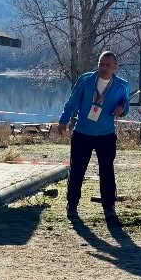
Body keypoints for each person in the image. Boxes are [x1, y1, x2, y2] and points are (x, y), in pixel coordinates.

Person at [56, 51, 130, 223]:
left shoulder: (122, 85)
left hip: (106, 135)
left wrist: (122, 110)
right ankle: (72, 206)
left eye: (107, 65)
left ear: (115, 67)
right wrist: (63, 120)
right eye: (101, 64)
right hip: (82, 133)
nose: (103, 68)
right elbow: (72, 102)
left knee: (107, 171)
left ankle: (109, 207)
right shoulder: (85, 80)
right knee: (77, 170)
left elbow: (125, 105)